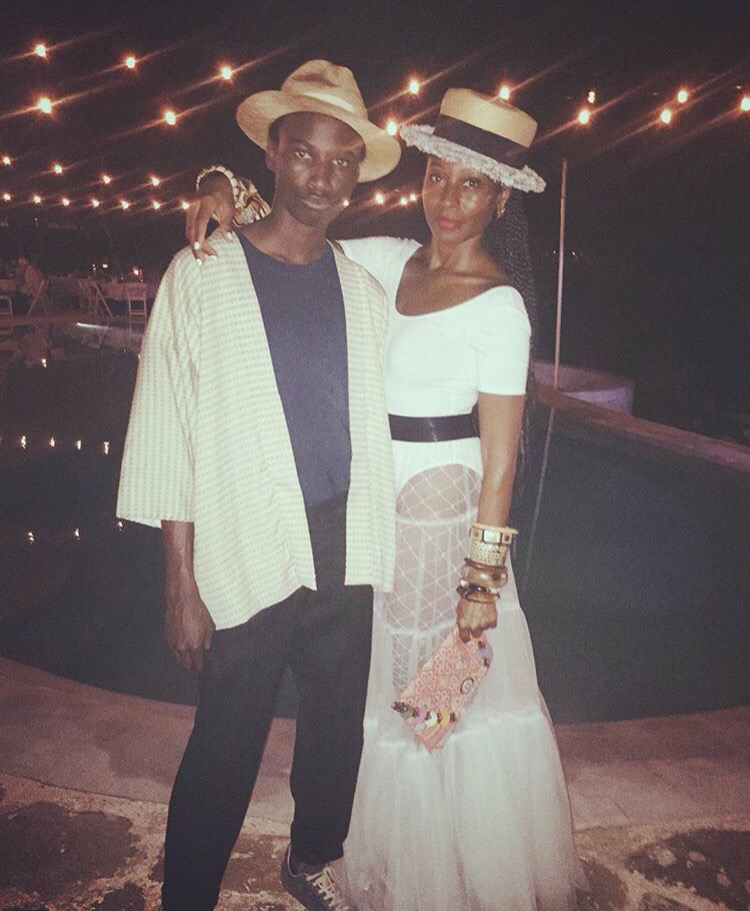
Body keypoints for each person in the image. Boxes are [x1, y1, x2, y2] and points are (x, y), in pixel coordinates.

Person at [189, 88, 583, 911]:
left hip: (446, 521)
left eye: (471, 185)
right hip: (376, 517)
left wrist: (481, 587)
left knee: (434, 705)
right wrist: (224, 186)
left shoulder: (501, 306)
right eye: (438, 176)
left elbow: (501, 465)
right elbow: (295, 229)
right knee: (376, 695)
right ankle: (377, 859)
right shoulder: (389, 259)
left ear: (499, 199)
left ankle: (441, 878)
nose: (449, 199)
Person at [117, 59, 403, 911]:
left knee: (335, 728)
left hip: (343, 538)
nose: (323, 176)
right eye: (305, 152)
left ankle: (310, 858)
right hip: (245, 535)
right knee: (225, 739)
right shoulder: (202, 273)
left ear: (358, 173)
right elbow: (167, 426)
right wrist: (180, 582)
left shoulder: (364, 289)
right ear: (272, 155)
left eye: (343, 160)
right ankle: (188, 894)